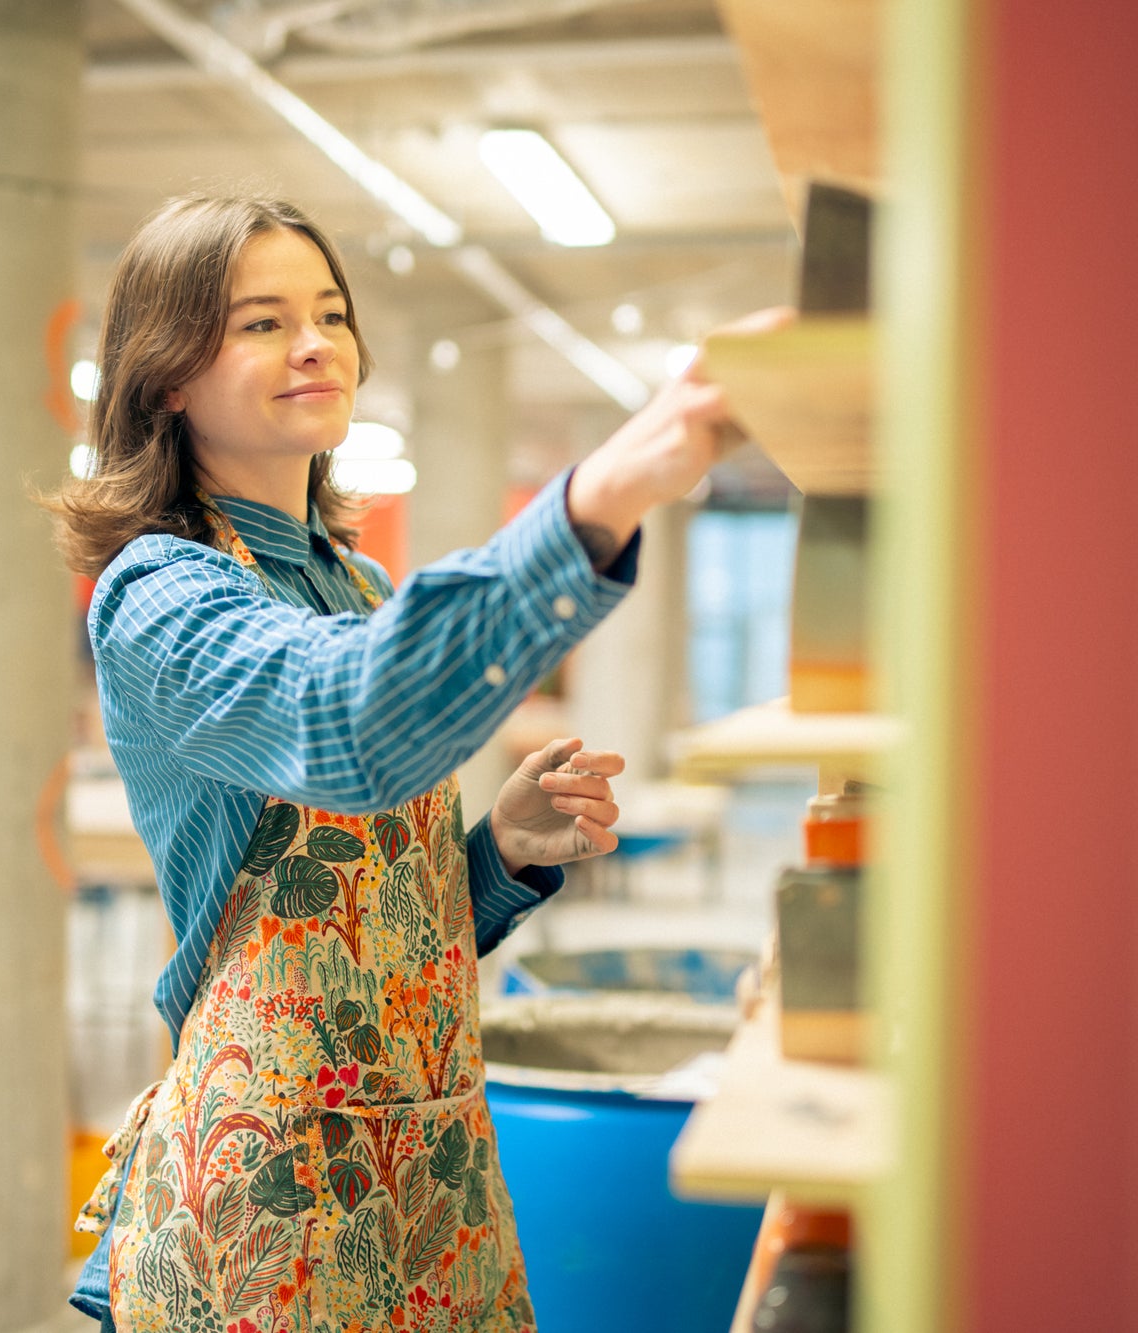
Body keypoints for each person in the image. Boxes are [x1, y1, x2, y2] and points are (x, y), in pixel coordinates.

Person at [46, 195, 732, 1332]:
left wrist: (501, 850)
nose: (315, 342)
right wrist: (599, 495)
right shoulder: (157, 595)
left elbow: (387, 941)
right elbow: (341, 722)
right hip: (273, 1188)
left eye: (327, 312)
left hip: (434, 1164)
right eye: (260, 323)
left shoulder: (360, 590)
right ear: (167, 377)